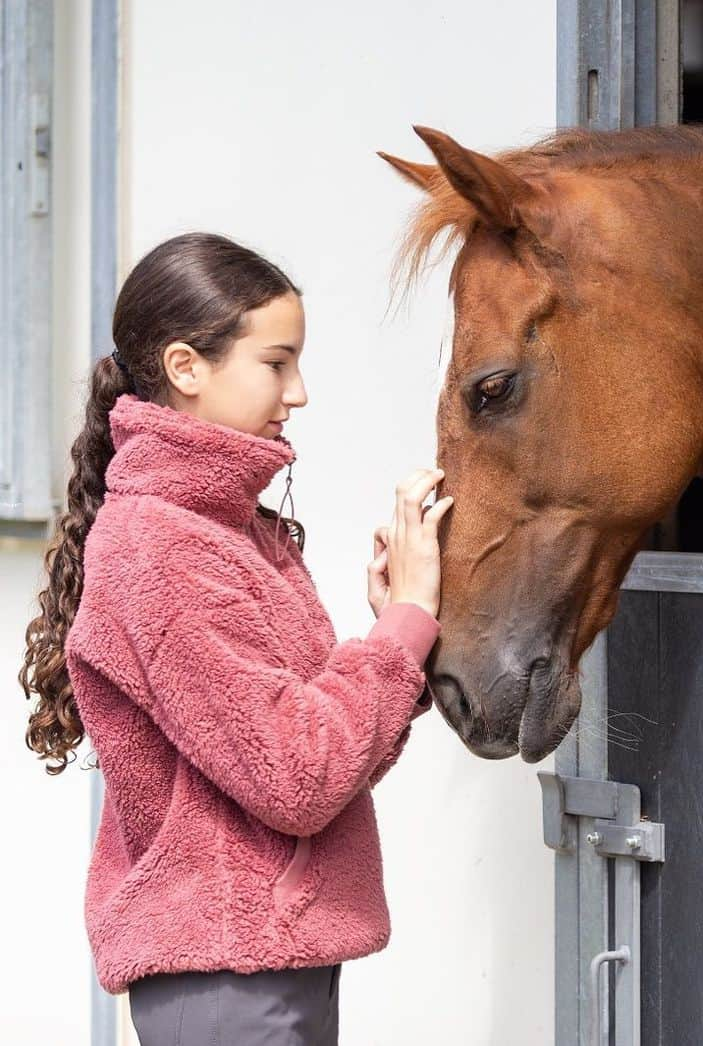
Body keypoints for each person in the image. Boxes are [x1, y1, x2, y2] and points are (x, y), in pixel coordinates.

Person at [19, 231, 453, 1044]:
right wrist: (403, 628)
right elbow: (298, 777)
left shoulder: (236, 532)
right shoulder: (160, 545)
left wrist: (393, 635)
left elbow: (335, 756)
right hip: (227, 972)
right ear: (186, 368)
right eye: (277, 362)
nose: (299, 393)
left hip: (268, 960)